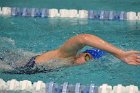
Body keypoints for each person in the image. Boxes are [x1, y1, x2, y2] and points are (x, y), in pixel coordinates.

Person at [4, 34, 140, 74]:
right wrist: (120, 54)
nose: (85, 61)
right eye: (87, 56)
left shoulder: (67, 64)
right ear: (81, 54)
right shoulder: (66, 56)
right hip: (16, 65)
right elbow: (82, 38)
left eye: (89, 60)